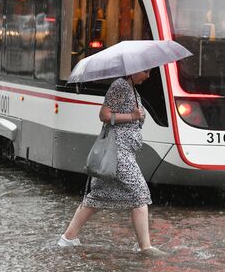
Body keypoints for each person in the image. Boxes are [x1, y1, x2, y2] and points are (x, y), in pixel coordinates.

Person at [58, 70, 167, 256]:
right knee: (140, 193)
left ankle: (67, 238)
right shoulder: (120, 86)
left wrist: (137, 116)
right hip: (118, 151)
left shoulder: (132, 89)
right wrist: (133, 116)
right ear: (134, 70)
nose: (148, 75)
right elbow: (104, 115)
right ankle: (145, 247)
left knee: (98, 195)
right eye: (146, 71)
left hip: (125, 151)